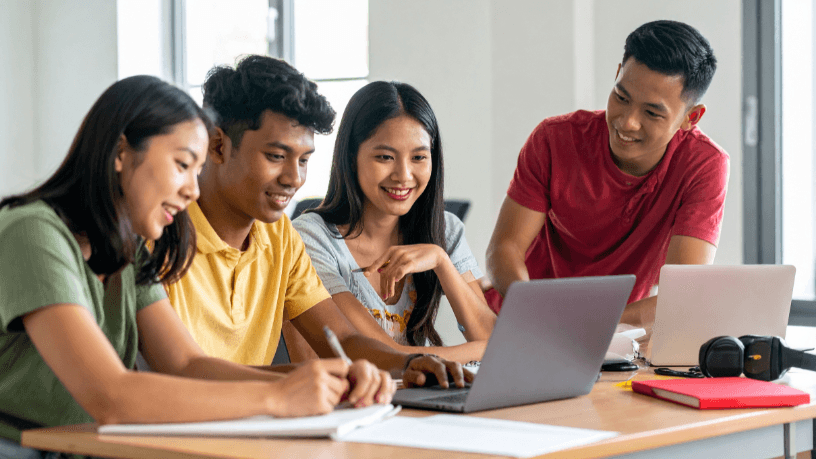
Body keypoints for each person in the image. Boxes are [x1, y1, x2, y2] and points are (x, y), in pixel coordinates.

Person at [0, 75, 395, 458]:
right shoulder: (34, 232)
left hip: (86, 447)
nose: (192, 189)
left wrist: (325, 385)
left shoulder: (128, 247)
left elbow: (186, 363)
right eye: (182, 164)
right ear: (121, 153)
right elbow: (111, 396)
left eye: (196, 169)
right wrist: (278, 396)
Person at [165, 55, 470, 385]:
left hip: (254, 425)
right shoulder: (162, 232)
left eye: (305, 160)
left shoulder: (280, 236)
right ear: (218, 145)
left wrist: (407, 363)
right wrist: (301, 379)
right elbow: (182, 372)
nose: (293, 178)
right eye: (277, 156)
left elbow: (343, 341)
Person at [485, 20, 729, 332]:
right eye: (621, 97)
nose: (627, 122)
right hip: (522, 321)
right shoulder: (554, 138)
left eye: (652, 113)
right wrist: (539, 312)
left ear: (690, 118)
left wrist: (576, 325)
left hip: (613, 334)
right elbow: (504, 248)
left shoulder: (703, 165)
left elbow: (682, 296)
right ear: (616, 75)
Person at [292, 81, 496, 364]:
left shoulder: (445, 230)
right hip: (348, 403)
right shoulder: (311, 238)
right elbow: (384, 357)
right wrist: (484, 351)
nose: (403, 175)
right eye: (385, 157)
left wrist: (441, 261)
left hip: (422, 400)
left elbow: (491, 335)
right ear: (352, 157)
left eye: (419, 157)